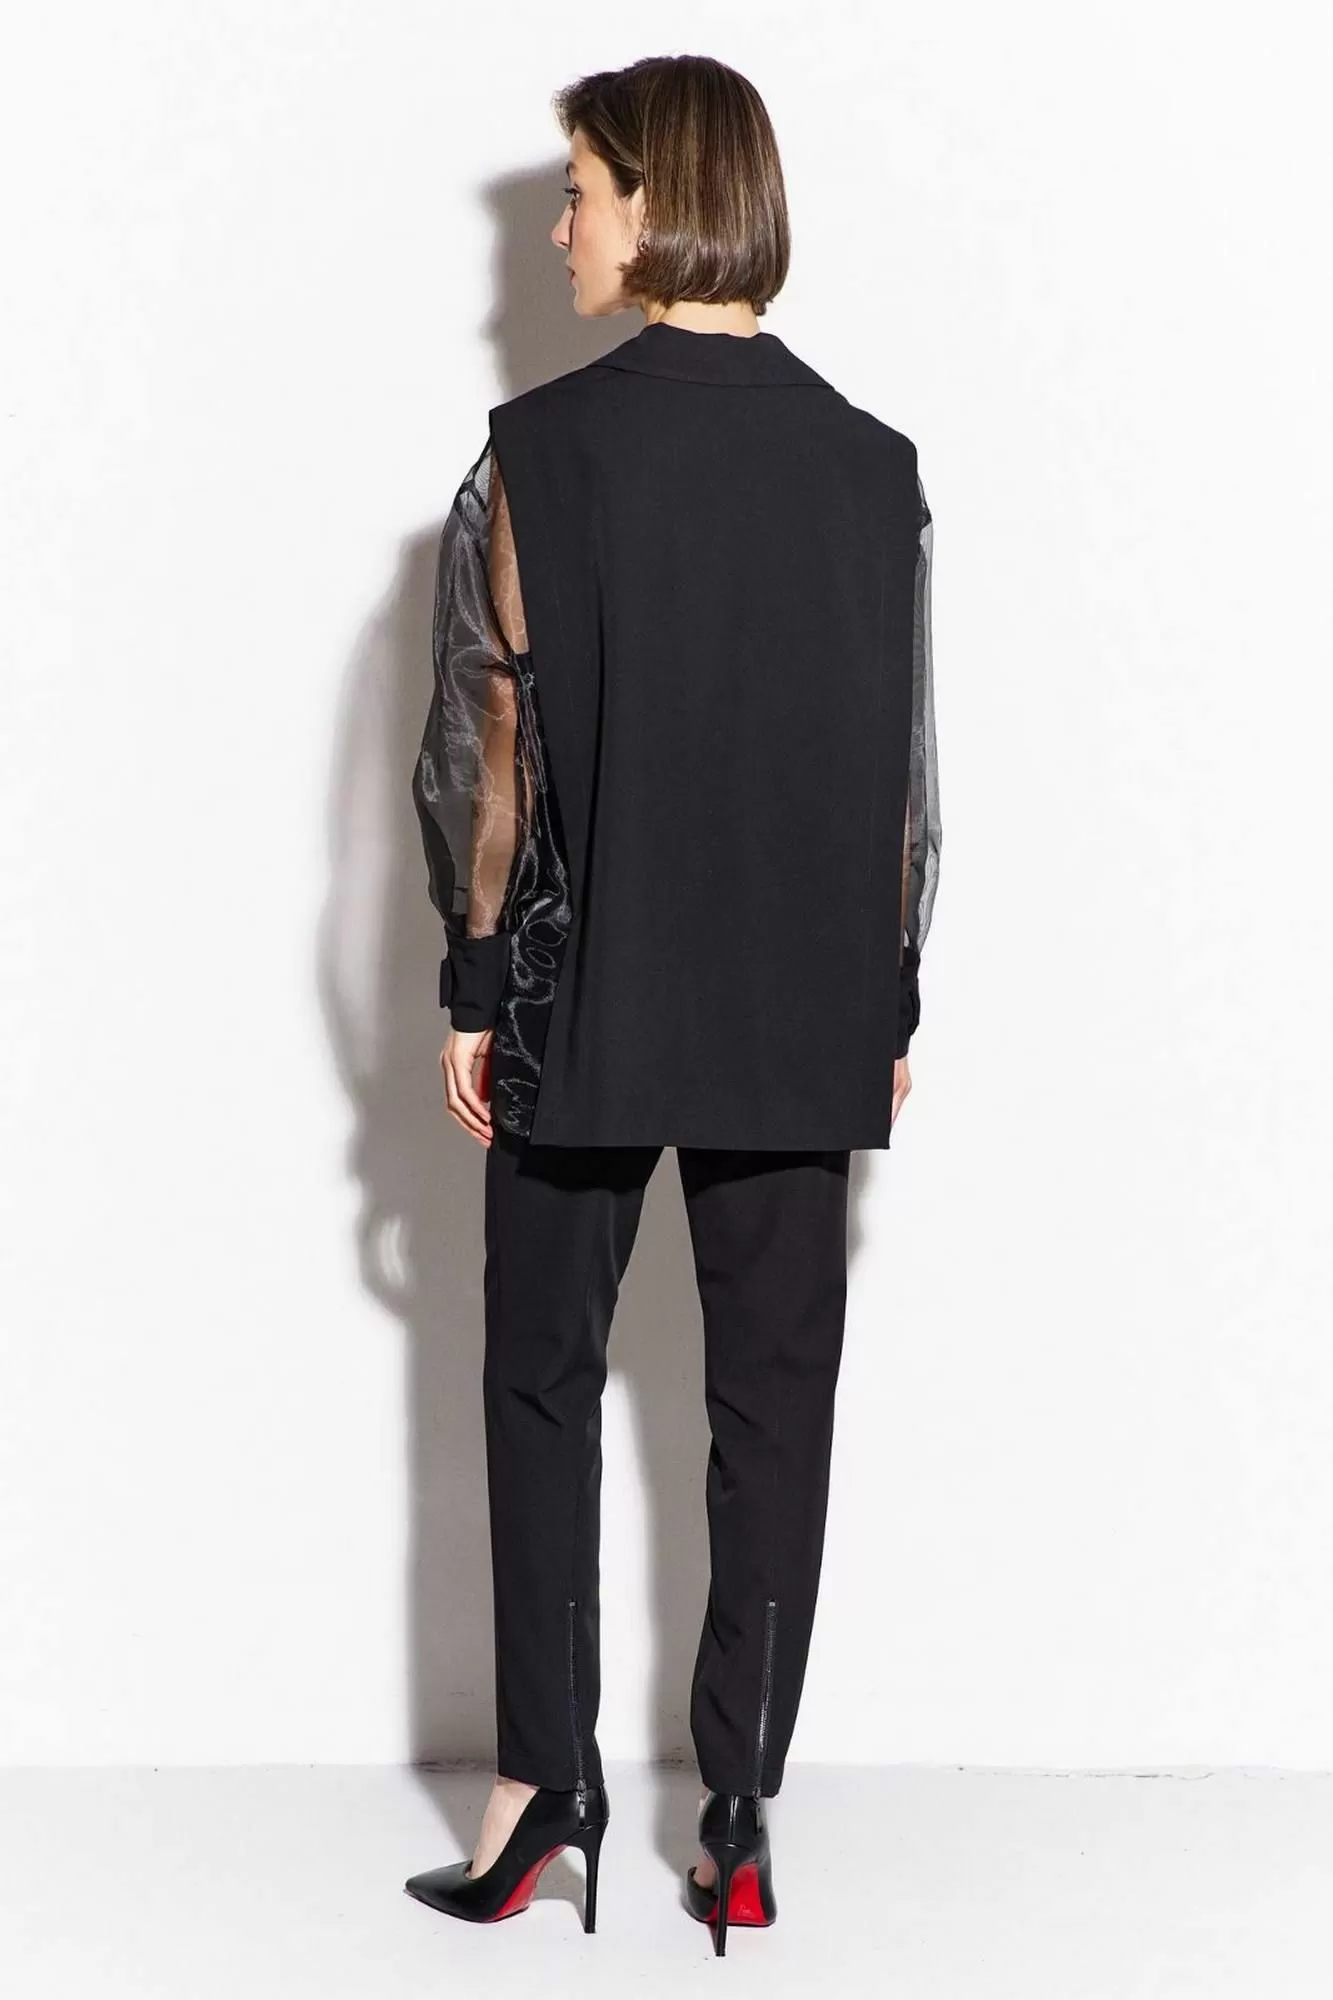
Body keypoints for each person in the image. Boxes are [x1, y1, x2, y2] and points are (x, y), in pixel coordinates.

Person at [403, 53, 941, 1953]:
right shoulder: (875, 469)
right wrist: (887, 993)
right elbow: (898, 773)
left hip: (586, 993)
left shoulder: (533, 456)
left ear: (658, 204)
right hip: (807, 1002)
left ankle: (541, 1790)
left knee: (539, 1377)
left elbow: (484, 746)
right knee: (774, 1406)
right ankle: (741, 1813)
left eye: (578, 192)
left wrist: (477, 985)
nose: (559, 229)